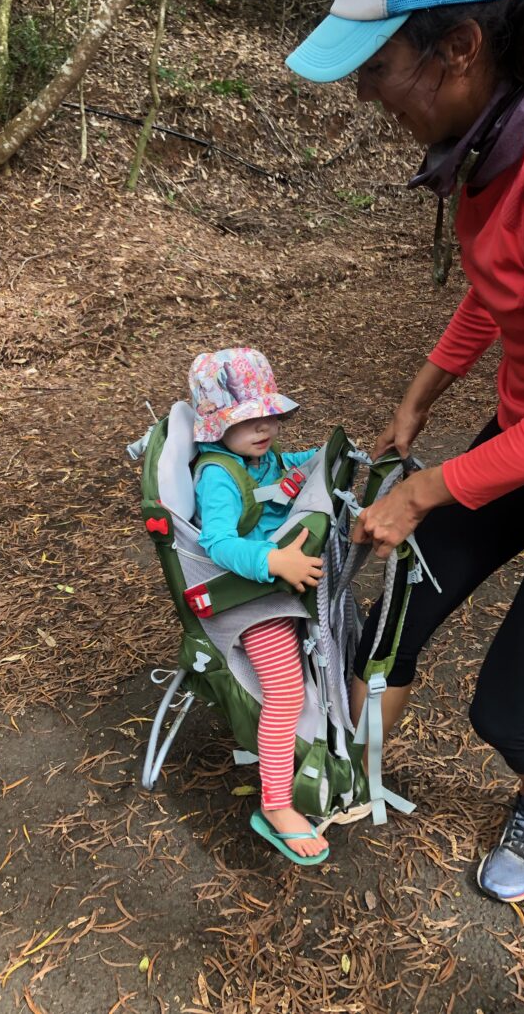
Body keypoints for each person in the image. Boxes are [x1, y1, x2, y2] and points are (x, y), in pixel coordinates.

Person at [287, 0, 524, 902]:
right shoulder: (491, 145)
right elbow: (498, 289)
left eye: (374, 67)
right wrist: (421, 395)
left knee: (506, 704)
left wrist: (425, 488)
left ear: (460, 48)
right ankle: (340, 775)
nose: (367, 94)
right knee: (393, 619)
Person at [189, 347, 329, 865]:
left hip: (274, 583)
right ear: (215, 427)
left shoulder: (257, 456)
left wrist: (325, 458)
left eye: (267, 414)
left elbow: (285, 467)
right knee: (288, 692)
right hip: (247, 596)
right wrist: (274, 561)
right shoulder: (220, 476)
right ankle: (275, 803)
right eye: (247, 420)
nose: (263, 427)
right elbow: (218, 543)